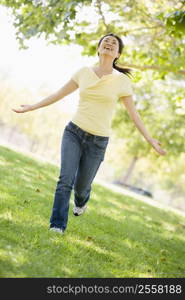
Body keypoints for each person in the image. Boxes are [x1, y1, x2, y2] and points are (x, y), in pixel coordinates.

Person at [12, 33, 167, 235]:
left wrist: (149, 139)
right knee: (65, 180)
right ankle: (57, 225)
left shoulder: (121, 81)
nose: (109, 44)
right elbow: (58, 94)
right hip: (74, 132)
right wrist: (32, 107)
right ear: (99, 48)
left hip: (98, 141)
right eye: (106, 41)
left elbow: (133, 114)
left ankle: (82, 201)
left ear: (118, 54)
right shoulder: (83, 72)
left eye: (114, 43)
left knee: (81, 187)